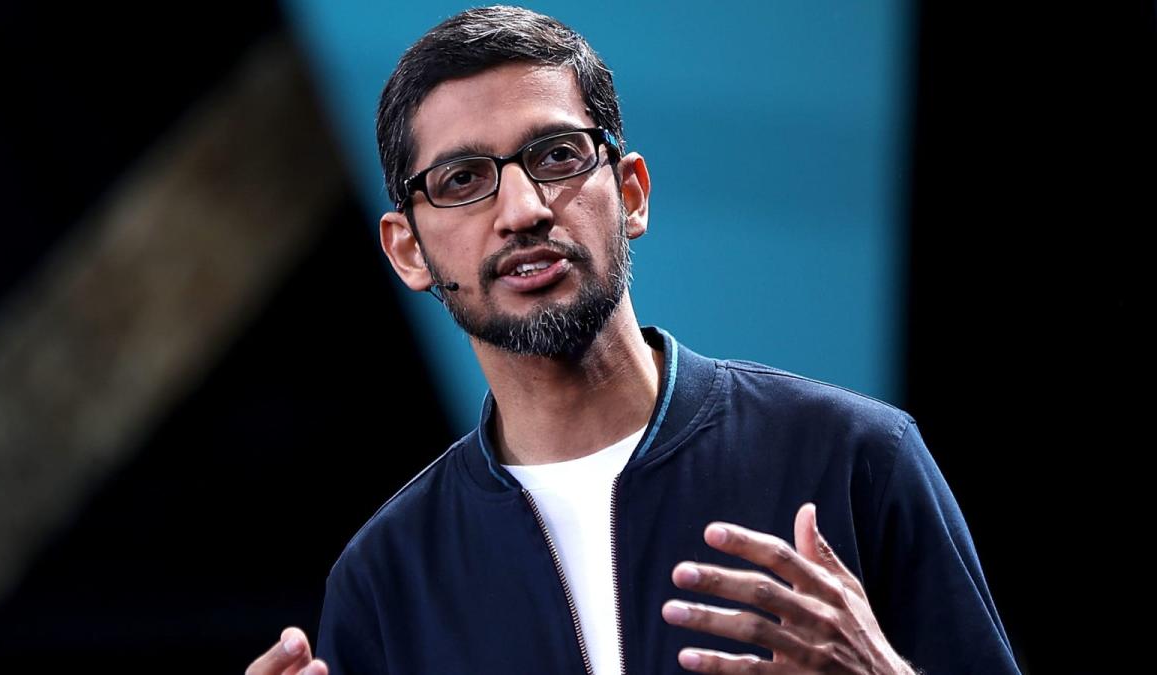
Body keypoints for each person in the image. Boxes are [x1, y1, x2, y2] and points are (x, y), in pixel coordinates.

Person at [247, 6, 1020, 675]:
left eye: (557, 156)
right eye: (463, 180)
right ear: (408, 250)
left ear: (630, 193)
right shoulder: (385, 579)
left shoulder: (855, 458)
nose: (523, 210)